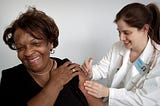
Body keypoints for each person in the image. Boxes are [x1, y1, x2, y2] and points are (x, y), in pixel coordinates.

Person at [0, 7, 104, 106]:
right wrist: (55, 83)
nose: (28, 53)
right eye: (20, 48)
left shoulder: (69, 69)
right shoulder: (11, 78)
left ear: (51, 43)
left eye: (36, 44)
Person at [82, 2, 160, 106]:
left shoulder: (157, 58)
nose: (121, 38)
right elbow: (102, 69)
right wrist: (90, 72)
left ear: (145, 29)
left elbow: (146, 100)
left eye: (127, 33)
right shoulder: (117, 47)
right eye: (119, 32)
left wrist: (109, 93)